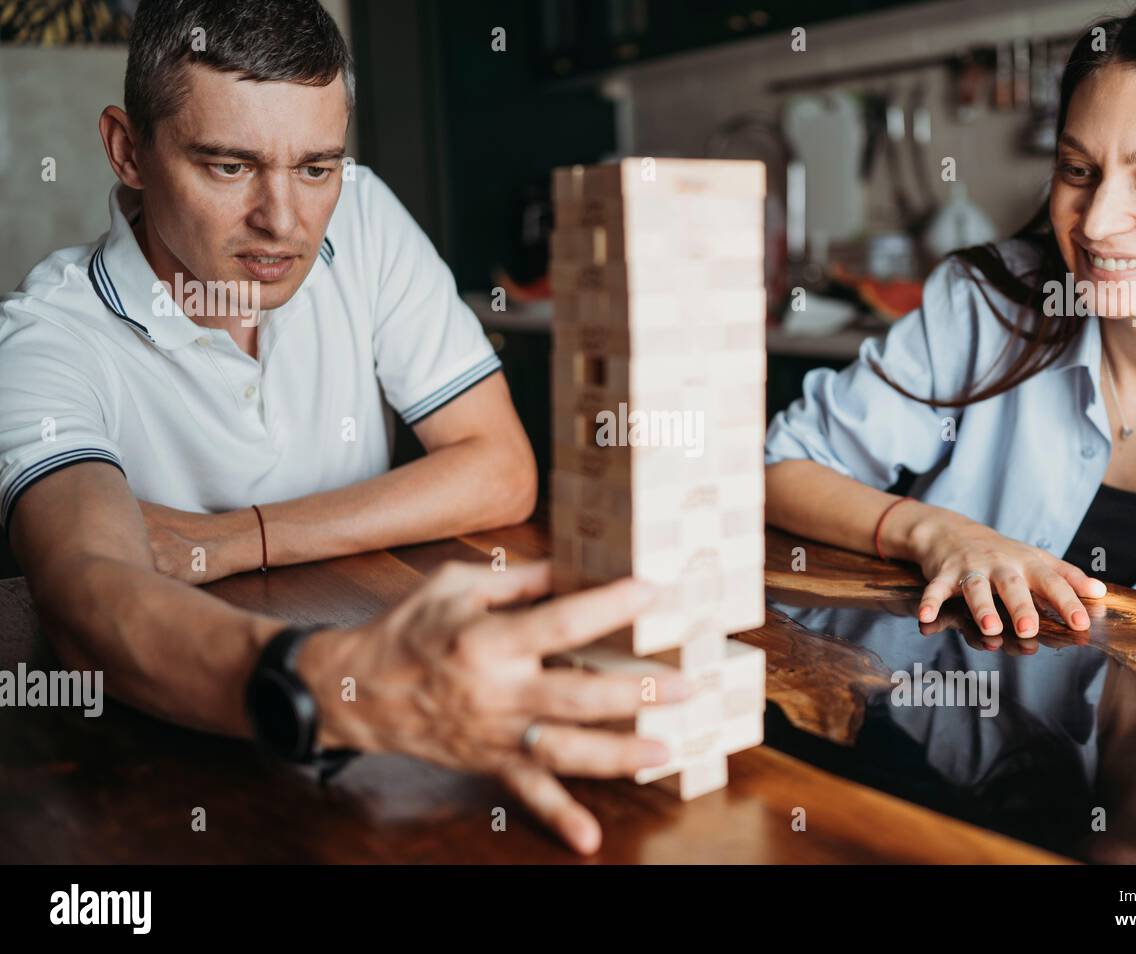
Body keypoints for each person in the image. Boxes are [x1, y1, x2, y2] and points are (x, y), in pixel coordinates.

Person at [0, 0, 676, 855]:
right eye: (229, 166)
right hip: (171, 781)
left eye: (316, 165)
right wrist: (333, 684)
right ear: (128, 150)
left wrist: (231, 539)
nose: (284, 221)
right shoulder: (45, 336)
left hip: (400, 747)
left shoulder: (359, 213)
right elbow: (86, 599)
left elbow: (501, 468)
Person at [766, 0, 1136, 640]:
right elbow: (779, 473)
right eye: (1078, 170)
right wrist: (942, 533)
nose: (1097, 224)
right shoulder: (985, 307)